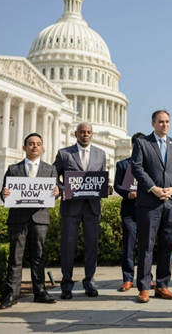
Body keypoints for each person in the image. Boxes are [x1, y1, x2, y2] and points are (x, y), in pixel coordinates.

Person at [0, 133, 60, 309]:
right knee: (15, 258)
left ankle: (40, 292)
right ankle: (11, 295)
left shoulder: (50, 170)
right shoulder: (13, 169)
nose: (35, 147)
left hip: (39, 219)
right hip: (18, 219)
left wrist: (56, 193)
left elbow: (52, 196)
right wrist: (4, 194)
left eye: (38, 144)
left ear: (42, 148)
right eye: (31, 144)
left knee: (38, 257)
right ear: (24, 147)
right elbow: (4, 195)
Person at [131, 110, 172, 303]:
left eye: (167, 122)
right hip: (149, 202)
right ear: (153, 123)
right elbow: (137, 167)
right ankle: (144, 288)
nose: (165, 125)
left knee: (167, 245)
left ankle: (163, 286)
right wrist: (153, 188)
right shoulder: (142, 143)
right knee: (146, 245)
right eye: (161, 122)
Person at [54, 122, 109, 300]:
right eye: (82, 132)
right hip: (71, 207)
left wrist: (105, 188)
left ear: (92, 134)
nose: (86, 134)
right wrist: (62, 188)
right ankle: (66, 285)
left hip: (92, 207)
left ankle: (90, 283)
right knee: (68, 246)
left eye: (89, 132)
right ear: (76, 133)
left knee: (92, 246)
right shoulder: (64, 154)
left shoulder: (101, 154)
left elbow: (100, 178)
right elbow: (53, 176)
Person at [113, 132, 149, 292]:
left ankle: (147, 279)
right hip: (129, 210)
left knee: (146, 247)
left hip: (147, 210)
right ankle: (128, 279)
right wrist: (128, 194)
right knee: (128, 246)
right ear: (132, 145)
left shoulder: (150, 165)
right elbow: (117, 185)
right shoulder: (122, 165)